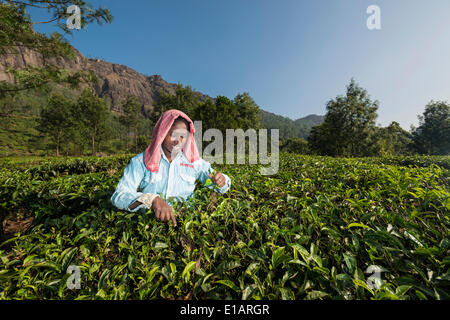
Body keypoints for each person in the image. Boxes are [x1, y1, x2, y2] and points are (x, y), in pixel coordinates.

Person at [110, 109, 231, 226]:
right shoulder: (141, 162)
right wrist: (152, 200)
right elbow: (119, 196)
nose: (178, 141)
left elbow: (216, 183)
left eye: (182, 137)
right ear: (162, 133)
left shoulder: (194, 162)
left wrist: (221, 181)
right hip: (148, 227)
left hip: (185, 226)